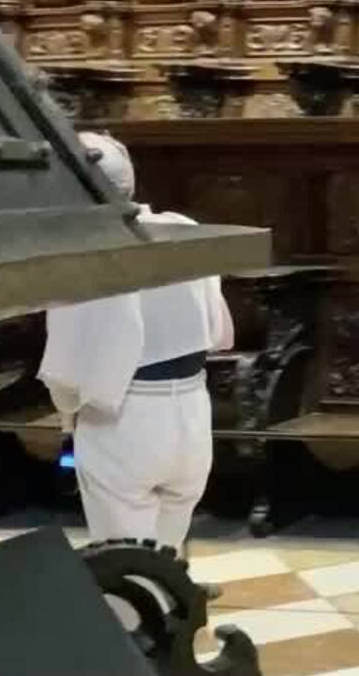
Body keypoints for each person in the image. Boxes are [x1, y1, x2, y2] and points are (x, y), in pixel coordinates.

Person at [38, 132, 232, 553]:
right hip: (193, 413)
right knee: (167, 556)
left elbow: (70, 366)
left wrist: (67, 411)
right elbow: (218, 330)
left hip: (125, 418)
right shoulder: (183, 228)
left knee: (126, 564)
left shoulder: (86, 250)